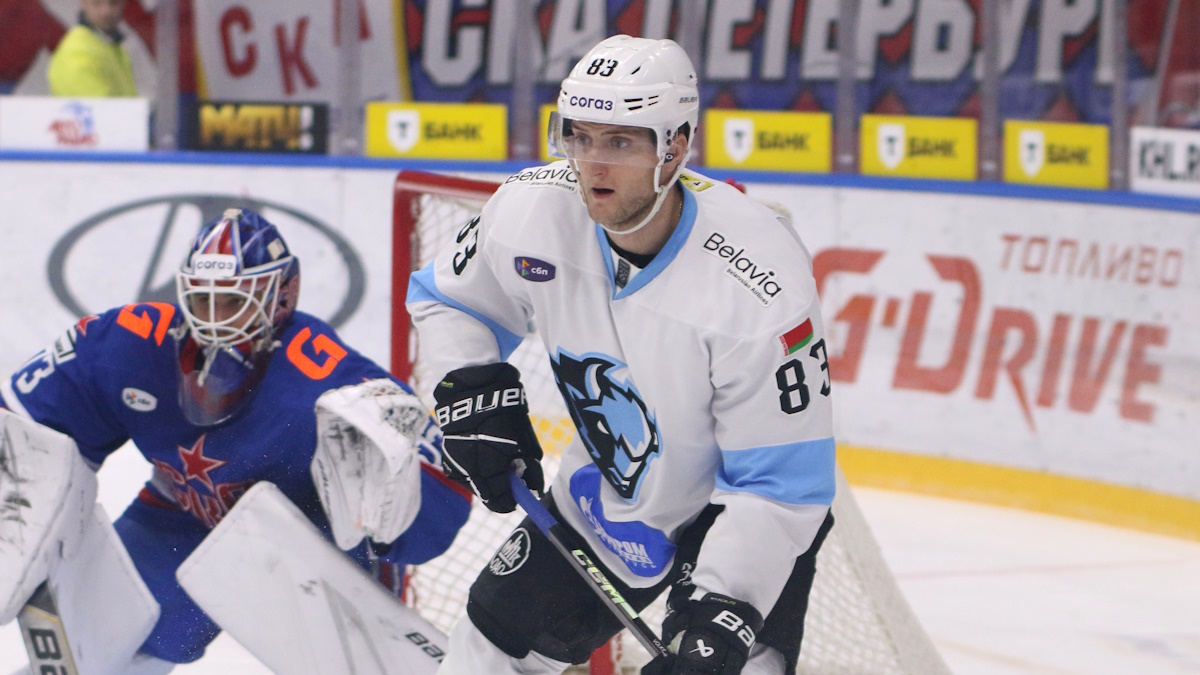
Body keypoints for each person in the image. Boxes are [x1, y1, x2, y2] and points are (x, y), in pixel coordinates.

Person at [407, 34, 836, 675]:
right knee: (486, 652)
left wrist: (723, 609)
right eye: (579, 137)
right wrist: (470, 387)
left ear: (675, 148)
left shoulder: (759, 282)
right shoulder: (531, 210)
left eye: (620, 142)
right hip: (611, 492)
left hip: (743, 513)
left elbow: (782, 484)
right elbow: (451, 299)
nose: (593, 165)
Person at [1, 208, 471, 670]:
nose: (214, 319)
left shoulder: (326, 379)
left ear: (282, 295)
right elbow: (21, 423)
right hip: (183, 515)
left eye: (231, 301)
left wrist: (397, 484)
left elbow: (440, 494)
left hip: (316, 549)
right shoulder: (131, 341)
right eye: (202, 300)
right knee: (102, 641)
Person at [47, 0, 137, 97]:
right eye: (97, 3)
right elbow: (98, 105)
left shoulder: (110, 46)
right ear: (83, 4)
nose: (106, 11)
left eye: (113, 3)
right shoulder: (77, 52)